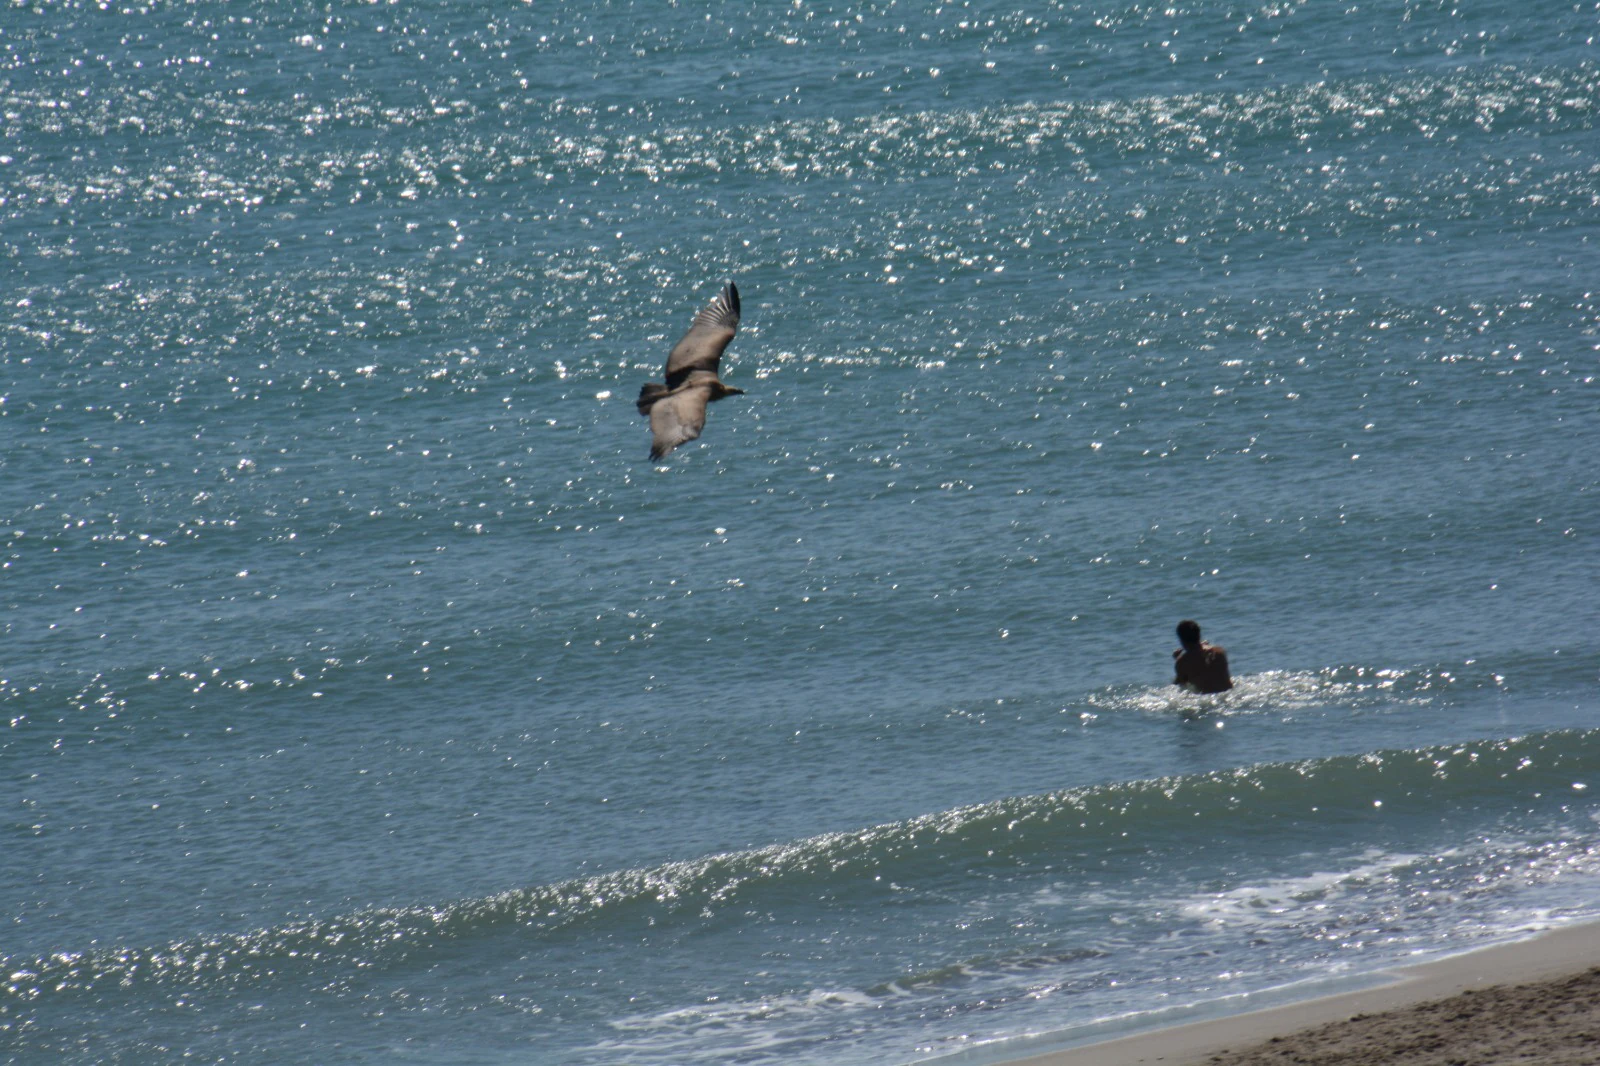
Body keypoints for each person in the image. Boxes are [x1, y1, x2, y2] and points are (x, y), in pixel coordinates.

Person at [1172, 619, 1232, 693]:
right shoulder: (1220, 651)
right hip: (1230, 694)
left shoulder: (1182, 662)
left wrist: (1178, 660)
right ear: (1199, 635)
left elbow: (1179, 687)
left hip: (1209, 700)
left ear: (1181, 639)